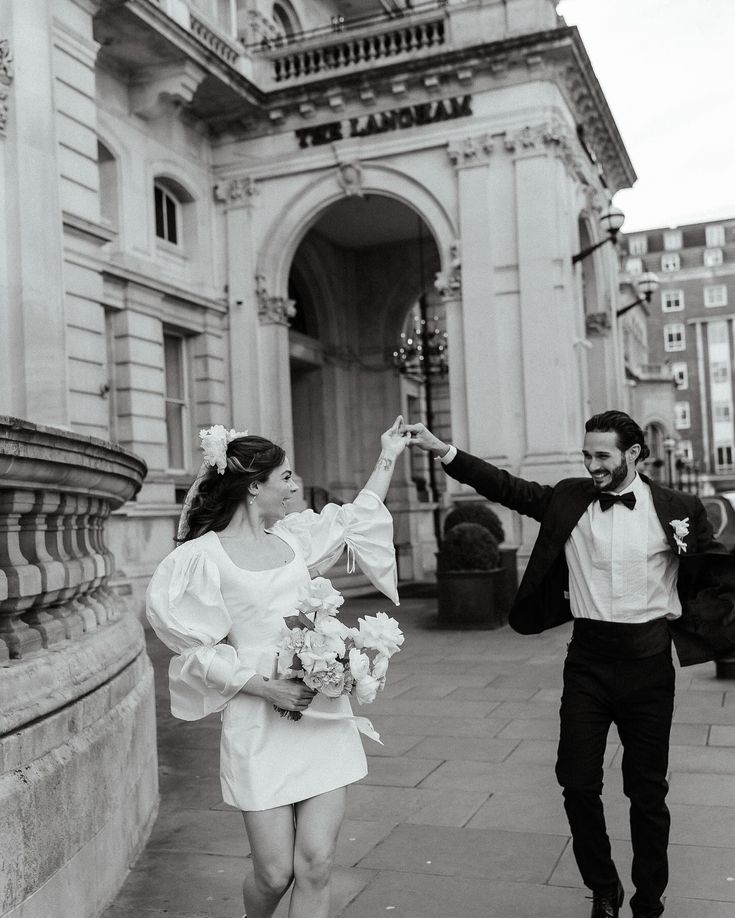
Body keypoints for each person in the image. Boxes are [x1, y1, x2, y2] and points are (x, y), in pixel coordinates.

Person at [403, 410, 735, 918]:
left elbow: (711, 569)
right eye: (587, 455)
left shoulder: (678, 508)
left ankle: (650, 900)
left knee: (647, 791)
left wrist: (709, 629)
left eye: (602, 455)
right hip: (588, 662)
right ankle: (604, 886)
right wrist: (441, 449)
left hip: (649, 664)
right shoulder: (569, 498)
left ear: (633, 455)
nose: (592, 464)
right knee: (577, 781)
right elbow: (506, 486)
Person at [146, 417, 408, 918]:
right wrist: (267, 689)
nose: (294, 486)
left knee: (316, 863)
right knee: (273, 874)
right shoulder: (201, 558)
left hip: (322, 714)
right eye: (285, 477)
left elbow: (357, 516)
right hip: (256, 718)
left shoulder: (292, 540)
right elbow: (194, 651)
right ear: (253, 486)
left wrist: (388, 454)